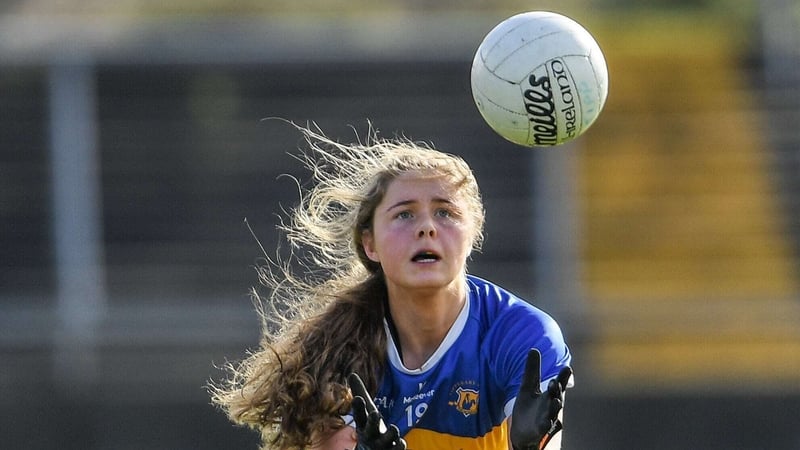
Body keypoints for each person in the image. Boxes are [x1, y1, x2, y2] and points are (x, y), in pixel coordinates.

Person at [209, 122, 573, 450]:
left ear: (473, 233)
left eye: (445, 212)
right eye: (404, 214)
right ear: (370, 244)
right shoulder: (333, 355)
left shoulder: (523, 336)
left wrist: (531, 448)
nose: (427, 227)